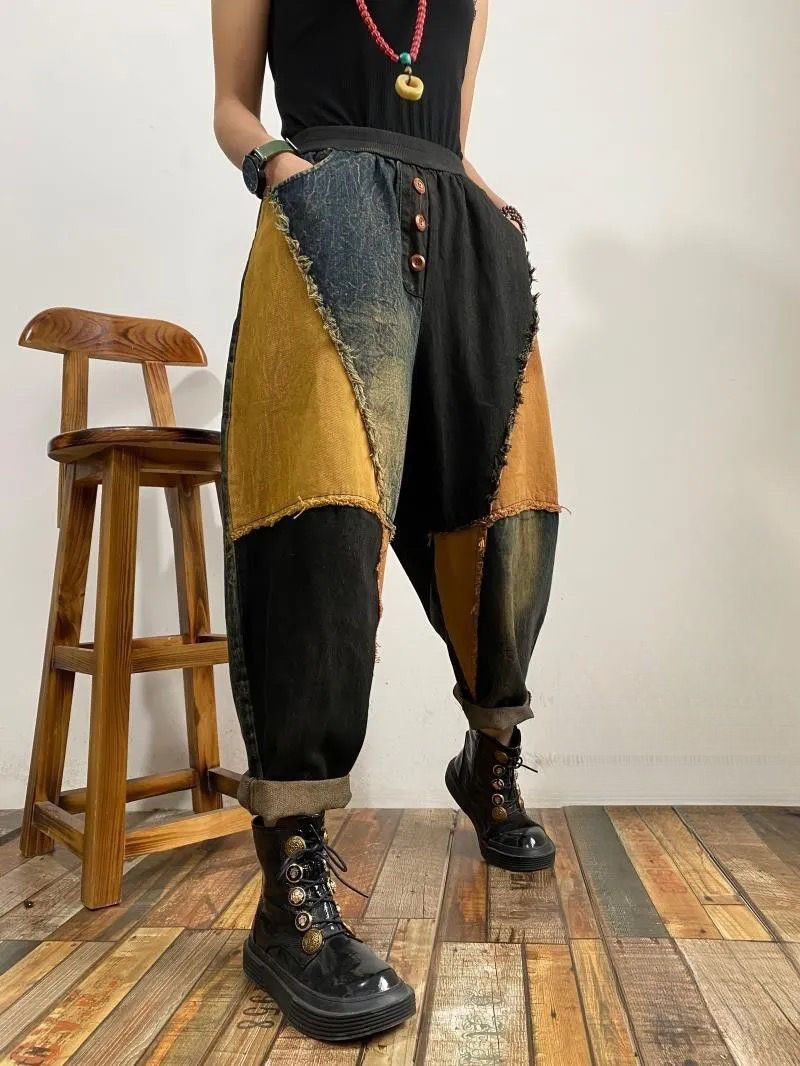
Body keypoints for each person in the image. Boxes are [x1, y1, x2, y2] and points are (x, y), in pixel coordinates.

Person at [211, 0, 561, 1043]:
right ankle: (289, 886)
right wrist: (282, 169)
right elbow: (230, 106)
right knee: (318, 527)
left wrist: (491, 207)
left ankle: (488, 760)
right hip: (330, 218)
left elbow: (449, 122)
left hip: (465, 239)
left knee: (506, 520)